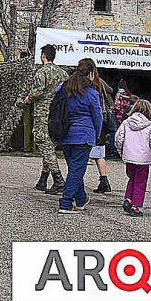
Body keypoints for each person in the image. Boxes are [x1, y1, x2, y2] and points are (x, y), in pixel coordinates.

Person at [57, 57, 103, 214]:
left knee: (74, 168)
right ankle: (66, 202)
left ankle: (81, 198)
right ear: (91, 74)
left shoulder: (64, 90)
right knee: (77, 169)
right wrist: (97, 134)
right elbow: (97, 116)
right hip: (84, 135)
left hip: (65, 133)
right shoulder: (91, 93)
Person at [23, 44, 68, 193]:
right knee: (50, 145)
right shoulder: (63, 73)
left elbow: (37, 92)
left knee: (43, 142)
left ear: (43, 56)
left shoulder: (42, 72)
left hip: (43, 113)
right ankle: (43, 179)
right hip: (58, 114)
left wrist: (27, 99)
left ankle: (58, 179)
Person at [114, 99, 151, 217]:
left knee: (132, 178)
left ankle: (128, 198)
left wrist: (121, 150)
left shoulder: (126, 123)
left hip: (129, 156)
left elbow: (119, 138)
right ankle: (136, 205)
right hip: (143, 158)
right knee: (140, 181)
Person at [89, 75, 115, 193]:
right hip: (103, 120)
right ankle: (104, 181)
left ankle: (76, 183)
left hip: (91, 121)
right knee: (99, 153)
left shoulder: (87, 84)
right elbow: (110, 90)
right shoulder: (101, 82)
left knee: (82, 152)